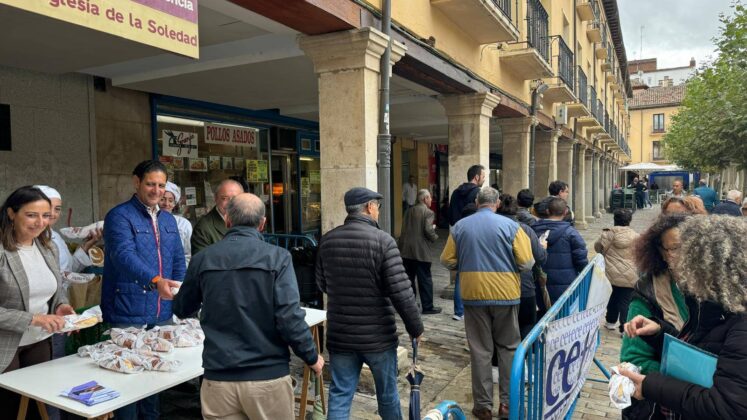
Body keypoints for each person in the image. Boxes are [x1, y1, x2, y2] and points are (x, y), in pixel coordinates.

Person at [174, 193, 323, 420]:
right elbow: (289, 318)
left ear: (227, 221)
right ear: (263, 223)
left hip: (219, 377)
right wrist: (311, 357)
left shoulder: (203, 259)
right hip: (267, 377)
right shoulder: (278, 258)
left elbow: (182, 307)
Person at [620, 216, 747, 420]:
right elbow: (703, 350)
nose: (683, 270)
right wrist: (660, 332)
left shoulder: (737, 321)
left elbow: (727, 407)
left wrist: (651, 385)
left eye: (689, 260)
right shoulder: (715, 305)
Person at [316, 187, 423, 420]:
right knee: (387, 395)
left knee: (340, 394)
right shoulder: (384, 242)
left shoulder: (328, 240)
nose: (378, 211)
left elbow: (322, 284)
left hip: (341, 335)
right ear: (369, 207)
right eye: (377, 206)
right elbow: (402, 292)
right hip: (378, 338)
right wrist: (416, 329)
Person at [440, 187, 534, 420]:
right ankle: (507, 404)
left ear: (476, 201)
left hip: (473, 294)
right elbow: (527, 262)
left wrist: (465, 265)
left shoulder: (461, 226)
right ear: (498, 203)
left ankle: (482, 407)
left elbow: (446, 260)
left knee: (480, 350)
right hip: (506, 294)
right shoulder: (512, 226)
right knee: (509, 347)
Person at [102, 160, 185, 420]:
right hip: (127, 310)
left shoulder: (169, 219)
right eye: (151, 184)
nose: (156, 190)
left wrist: (182, 292)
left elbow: (178, 260)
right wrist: (155, 280)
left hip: (163, 311)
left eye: (161, 185)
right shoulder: (119, 216)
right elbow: (123, 256)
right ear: (136, 182)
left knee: (154, 383)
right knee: (128, 383)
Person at [0, 186, 76, 419]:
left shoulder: (47, 247)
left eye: (45, 215)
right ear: (12, 213)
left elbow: (54, 289)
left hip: (39, 341)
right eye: (31, 215)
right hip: (5, 344)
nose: (40, 222)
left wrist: (60, 305)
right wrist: (33, 319)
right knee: (9, 409)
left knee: (37, 408)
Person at [619, 214, 689, 387]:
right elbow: (632, 359)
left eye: (690, 246)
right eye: (674, 248)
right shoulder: (648, 293)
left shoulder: (718, 293)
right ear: (661, 252)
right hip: (666, 402)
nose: (684, 254)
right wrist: (688, 379)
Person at [496, 194, 547, 339]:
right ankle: (521, 358)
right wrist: (542, 247)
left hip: (496, 285)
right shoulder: (524, 229)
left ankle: (499, 359)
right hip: (523, 286)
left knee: (499, 328)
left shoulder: (490, 229)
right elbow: (540, 257)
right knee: (526, 325)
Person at [531, 197, 588, 302]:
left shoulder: (532, 230)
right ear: (566, 212)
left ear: (547, 211)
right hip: (566, 283)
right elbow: (581, 258)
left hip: (538, 282)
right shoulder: (571, 233)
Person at [448, 164, 486, 321]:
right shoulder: (478, 193)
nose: (484, 179)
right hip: (475, 234)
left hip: (458, 233)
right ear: (476, 177)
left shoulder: (456, 192)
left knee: (460, 273)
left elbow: (450, 215)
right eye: (484, 176)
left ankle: (459, 311)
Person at [34, 185, 101, 273]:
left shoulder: (56, 237)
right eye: (48, 207)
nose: (53, 214)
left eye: (57, 209)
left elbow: (69, 269)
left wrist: (86, 246)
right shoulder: (27, 239)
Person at [594, 209, 639, 334]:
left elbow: (598, 247)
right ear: (629, 221)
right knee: (626, 301)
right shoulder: (636, 236)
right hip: (630, 274)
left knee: (612, 297)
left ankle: (610, 321)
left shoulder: (608, 234)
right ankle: (625, 327)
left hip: (610, 273)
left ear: (615, 219)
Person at [398, 189, 441, 314]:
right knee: (425, 280)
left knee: (409, 279)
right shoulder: (428, 212)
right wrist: (434, 235)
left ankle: (410, 305)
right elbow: (428, 230)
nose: (431, 200)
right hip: (420, 251)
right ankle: (427, 307)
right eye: (429, 197)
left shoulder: (409, 210)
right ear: (424, 199)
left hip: (406, 250)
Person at [191, 179, 244, 255]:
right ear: (215, 199)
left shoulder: (247, 220)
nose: (231, 203)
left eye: (235, 198)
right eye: (224, 198)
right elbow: (202, 263)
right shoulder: (203, 228)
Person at [160, 182, 193, 267]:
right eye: (162, 199)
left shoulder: (183, 224)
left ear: (174, 204)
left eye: (170, 200)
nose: (166, 204)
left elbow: (188, 254)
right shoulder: (148, 222)